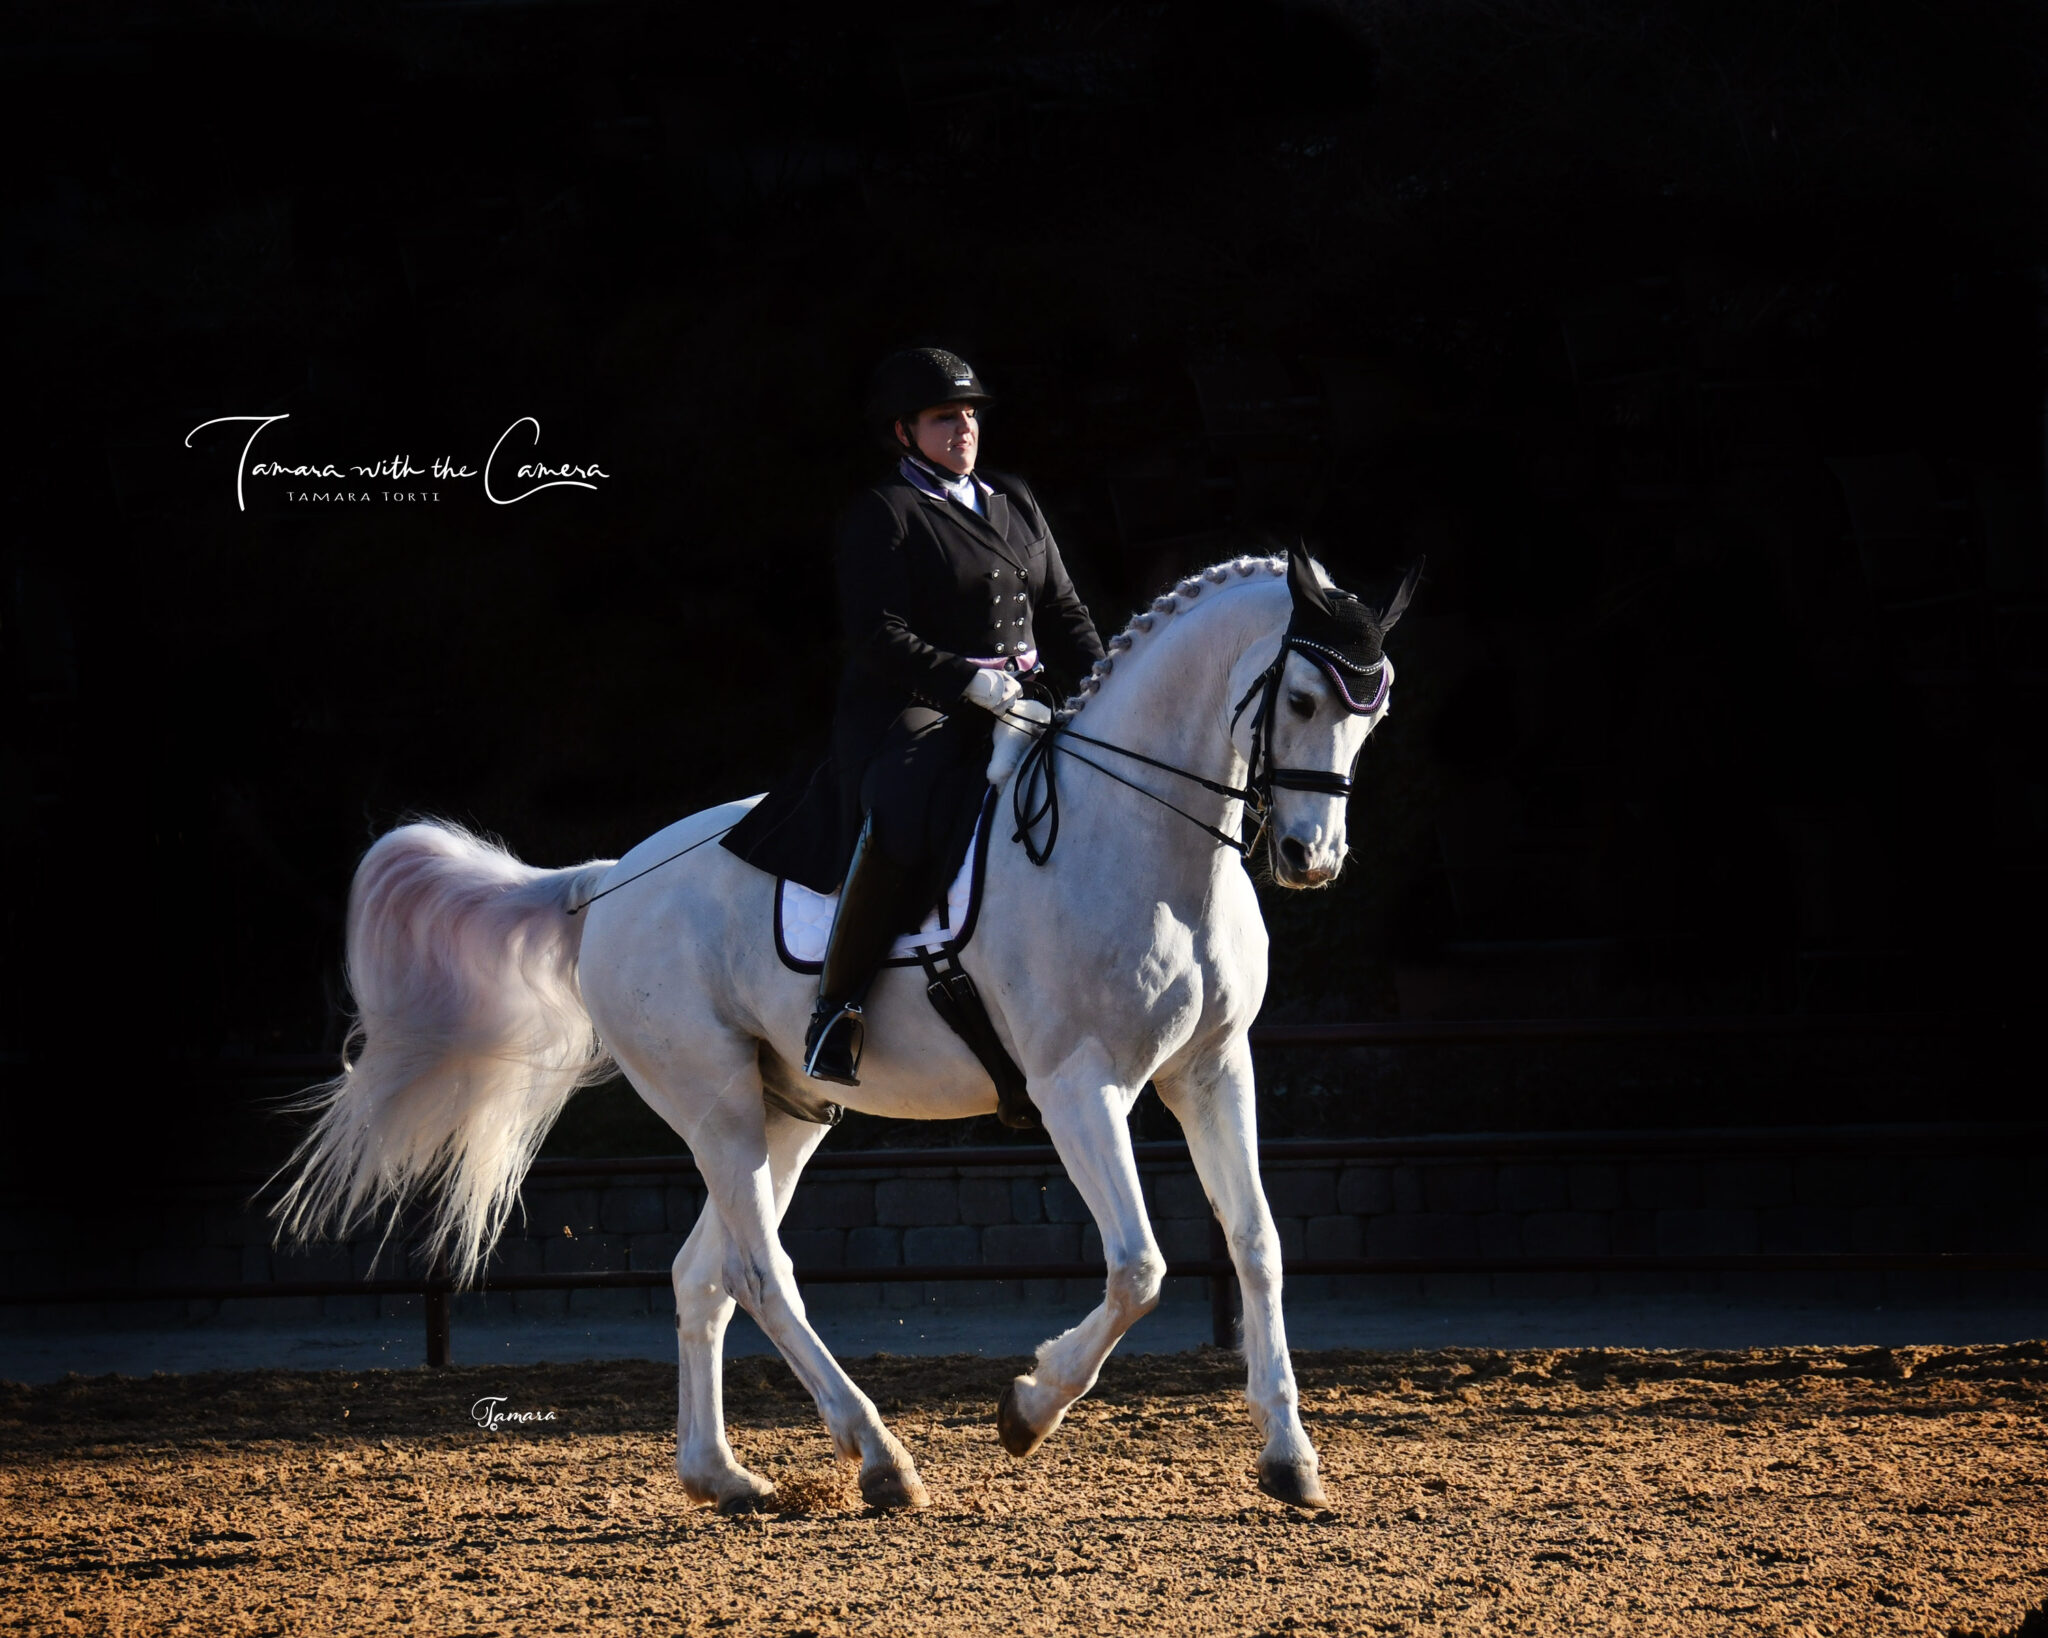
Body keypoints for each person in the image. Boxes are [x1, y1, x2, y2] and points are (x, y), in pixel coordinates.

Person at [721, 347, 1106, 1093]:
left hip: (1025, 701)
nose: (964, 428)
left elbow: (1063, 609)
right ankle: (837, 1006)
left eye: (969, 415)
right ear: (904, 432)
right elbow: (877, 635)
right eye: (943, 418)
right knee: (903, 807)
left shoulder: (1014, 500)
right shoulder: (885, 514)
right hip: (914, 710)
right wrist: (970, 682)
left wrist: (1101, 684)